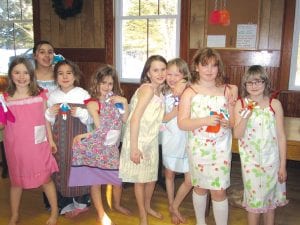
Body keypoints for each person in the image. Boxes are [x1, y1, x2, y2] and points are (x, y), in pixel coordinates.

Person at [178, 47, 238, 225]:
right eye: (205, 65)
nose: (210, 70)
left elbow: (233, 121)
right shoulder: (190, 92)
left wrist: (229, 122)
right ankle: (200, 222)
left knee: (219, 190)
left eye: (214, 66)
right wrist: (205, 120)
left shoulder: (228, 90)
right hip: (198, 148)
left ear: (219, 68)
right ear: (196, 67)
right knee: (200, 187)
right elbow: (182, 123)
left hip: (221, 149)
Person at [69, 65, 131, 224]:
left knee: (117, 180)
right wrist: (84, 136)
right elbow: (99, 128)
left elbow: (125, 120)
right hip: (97, 147)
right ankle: (101, 213)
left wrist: (124, 102)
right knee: (95, 182)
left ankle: (116, 204)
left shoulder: (116, 100)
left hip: (111, 148)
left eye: (110, 84)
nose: (106, 87)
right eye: (103, 82)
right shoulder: (92, 103)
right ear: (96, 83)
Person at [2, 57, 59, 225]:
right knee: (16, 182)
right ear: (10, 75)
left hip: (38, 144)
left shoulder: (40, 94)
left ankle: (55, 211)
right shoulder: (5, 98)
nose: (21, 77)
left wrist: (51, 140)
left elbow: (46, 119)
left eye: (25, 72)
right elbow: (1, 124)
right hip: (15, 146)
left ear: (31, 75)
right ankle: (14, 215)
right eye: (17, 72)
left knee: (45, 179)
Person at [233, 65, 288, 225]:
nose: (254, 86)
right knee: (254, 202)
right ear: (245, 86)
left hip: (272, 162)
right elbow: (237, 134)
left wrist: (283, 165)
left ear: (265, 83)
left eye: (258, 82)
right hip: (251, 163)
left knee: (270, 201)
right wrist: (245, 117)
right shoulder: (241, 104)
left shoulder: (274, 104)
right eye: (250, 83)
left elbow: (281, 136)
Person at [119, 55, 167, 225]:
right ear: (148, 73)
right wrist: (133, 147)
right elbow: (135, 119)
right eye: (156, 70)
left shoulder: (159, 91)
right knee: (140, 180)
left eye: (163, 69)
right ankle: (142, 215)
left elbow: (159, 116)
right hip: (137, 139)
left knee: (151, 178)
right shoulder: (147, 89)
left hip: (151, 141)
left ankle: (147, 206)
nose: (160, 73)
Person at [45, 59, 91, 217]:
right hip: (60, 140)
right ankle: (65, 203)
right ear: (55, 77)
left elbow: (91, 119)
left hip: (78, 139)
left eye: (69, 73)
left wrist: (81, 113)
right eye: (60, 73)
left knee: (78, 168)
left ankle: (81, 202)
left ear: (75, 75)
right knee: (62, 168)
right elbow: (49, 121)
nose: (65, 77)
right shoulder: (53, 96)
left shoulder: (83, 94)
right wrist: (49, 113)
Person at [161, 58, 192, 224]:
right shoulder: (163, 94)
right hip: (170, 140)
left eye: (177, 74)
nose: (172, 78)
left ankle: (175, 205)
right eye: (169, 74)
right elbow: (159, 119)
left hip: (188, 140)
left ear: (184, 76)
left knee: (190, 179)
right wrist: (173, 112)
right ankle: (171, 206)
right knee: (169, 174)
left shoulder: (190, 92)